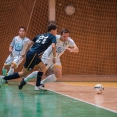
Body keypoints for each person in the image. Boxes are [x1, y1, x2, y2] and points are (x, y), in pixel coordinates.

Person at [0, 23, 57, 88]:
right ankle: (4, 78)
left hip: (32, 53)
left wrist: (26, 52)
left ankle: (38, 85)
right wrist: (55, 57)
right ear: (53, 30)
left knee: (43, 68)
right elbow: (53, 47)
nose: (56, 32)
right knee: (23, 73)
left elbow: (30, 44)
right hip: (34, 54)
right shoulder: (53, 37)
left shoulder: (39, 35)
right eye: (56, 31)